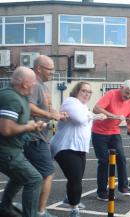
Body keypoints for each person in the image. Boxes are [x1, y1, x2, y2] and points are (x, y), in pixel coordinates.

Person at [50, 82, 106, 217]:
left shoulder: (84, 107)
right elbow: (80, 120)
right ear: (76, 91)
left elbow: (85, 119)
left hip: (79, 148)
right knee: (75, 179)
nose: (87, 94)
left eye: (89, 92)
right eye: (84, 91)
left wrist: (93, 115)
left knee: (76, 178)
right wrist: (94, 116)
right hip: (65, 147)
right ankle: (74, 209)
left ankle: (70, 198)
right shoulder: (70, 102)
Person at [24, 55, 68, 217]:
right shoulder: (34, 84)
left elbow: (49, 109)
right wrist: (51, 116)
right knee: (47, 173)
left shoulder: (44, 87)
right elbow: (29, 107)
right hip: (34, 138)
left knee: (27, 177)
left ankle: (12, 205)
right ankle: (40, 212)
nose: (52, 72)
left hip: (41, 138)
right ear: (39, 69)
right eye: (50, 69)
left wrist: (59, 114)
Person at [0, 67, 44, 217]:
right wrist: (28, 126)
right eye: (33, 82)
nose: (35, 85)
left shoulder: (21, 96)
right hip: (6, 151)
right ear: (25, 83)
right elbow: (6, 129)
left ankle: (4, 208)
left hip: (13, 149)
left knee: (19, 177)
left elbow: (16, 122)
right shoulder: (10, 98)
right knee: (34, 179)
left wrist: (32, 126)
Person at [92, 80, 130, 200]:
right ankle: (101, 192)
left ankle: (123, 187)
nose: (127, 96)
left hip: (114, 132)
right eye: (126, 93)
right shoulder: (111, 94)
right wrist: (114, 116)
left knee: (121, 158)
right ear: (121, 88)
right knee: (104, 161)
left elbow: (129, 116)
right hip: (99, 132)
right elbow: (96, 108)